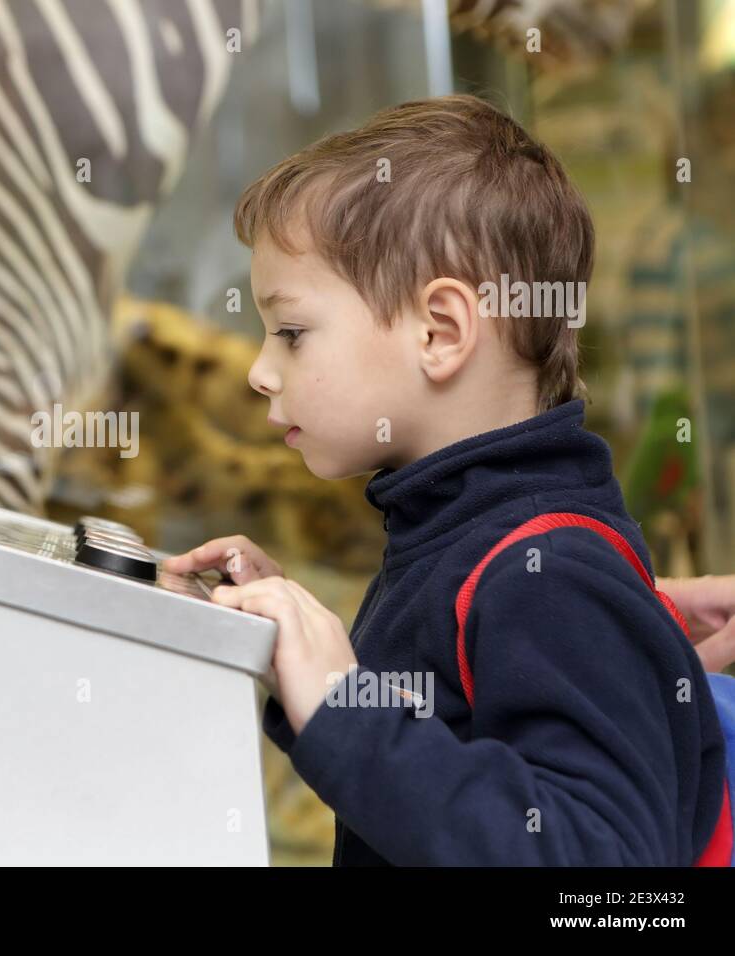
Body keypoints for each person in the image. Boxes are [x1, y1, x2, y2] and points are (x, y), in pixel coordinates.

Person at [163, 95, 730, 865]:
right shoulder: (459, 540)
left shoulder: (545, 578)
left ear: (441, 332)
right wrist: (289, 653)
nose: (261, 373)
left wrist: (342, 710)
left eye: (291, 333)